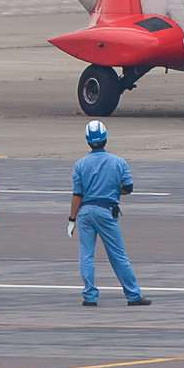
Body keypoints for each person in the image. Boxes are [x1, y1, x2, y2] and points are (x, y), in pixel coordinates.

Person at [68, 120, 151, 307]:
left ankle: (90, 296)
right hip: (106, 211)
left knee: (86, 255)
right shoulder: (118, 162)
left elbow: (77, 195)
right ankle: (133, 294)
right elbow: (128, 188)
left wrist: (72, 219)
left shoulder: (80, 165)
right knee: (118, 255)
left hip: (85, 213)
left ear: (88, 141)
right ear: (105, 138)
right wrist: (113, 190)